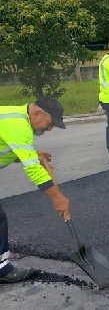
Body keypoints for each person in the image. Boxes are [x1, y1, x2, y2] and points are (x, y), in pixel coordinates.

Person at [0, 97, 71, 283]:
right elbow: (32, 169)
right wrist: (58, 197)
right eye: (50, 123)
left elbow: (8, 149)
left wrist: (33, 155)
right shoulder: (18, 124)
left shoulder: (16, 119)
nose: (49, 129)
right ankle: (2, 270)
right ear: (37, 113)